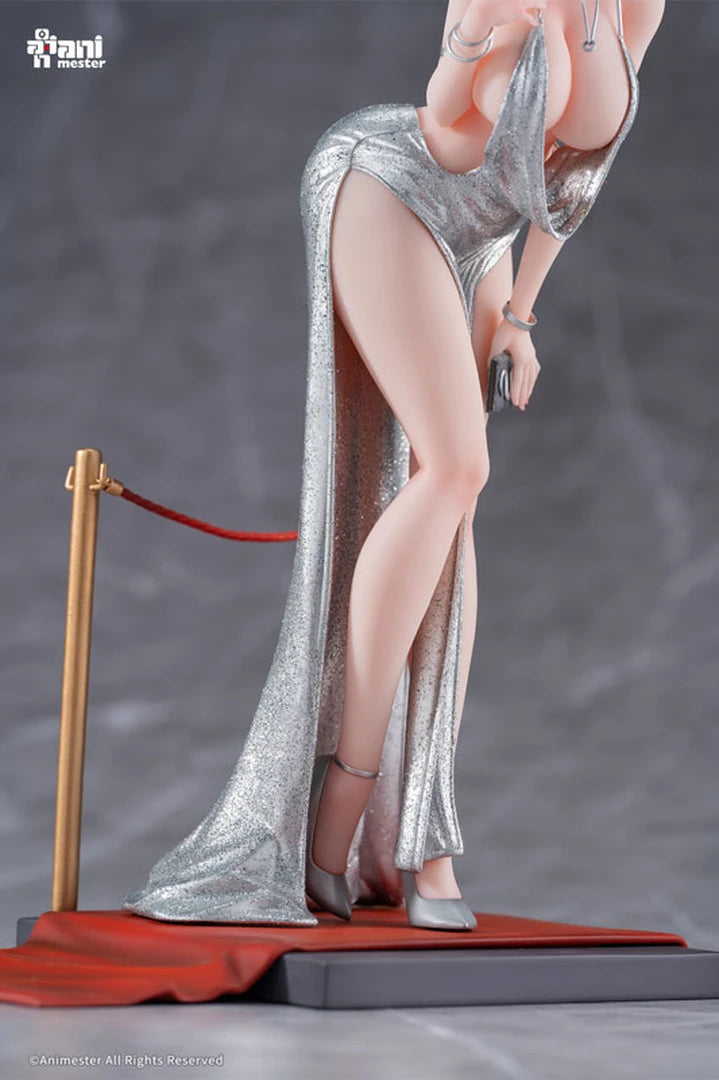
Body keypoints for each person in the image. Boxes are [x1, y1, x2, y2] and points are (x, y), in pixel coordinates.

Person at [120, 0, 665, 929]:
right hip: (393, 186)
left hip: (485, 237)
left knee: (450, 508)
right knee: (455, 469)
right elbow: (446, 105)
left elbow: (577, 182)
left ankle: (420, 832)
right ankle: (347, 792)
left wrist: (520, 315)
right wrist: (482, 36)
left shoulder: (636, 7)